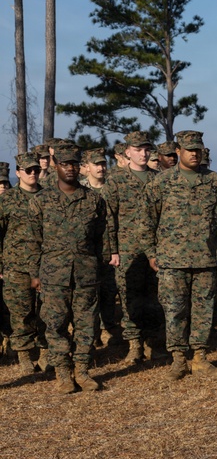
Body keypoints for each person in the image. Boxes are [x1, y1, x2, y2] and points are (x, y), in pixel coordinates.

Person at [26, 144, 118, 393]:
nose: (70, 168)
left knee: (86, 324)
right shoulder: (41, 201)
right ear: (56, 166)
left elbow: (102, 238)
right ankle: (63, 373)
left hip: (86, 274)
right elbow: (33, 241)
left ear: (81, 167)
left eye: (74, 164)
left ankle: (82, 371)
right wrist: (35, 274)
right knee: (55, 325)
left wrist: (100, 266)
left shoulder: (94, 200)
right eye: (65, 164)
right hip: (53, 275)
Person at [143, 130, 217, 380]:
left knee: (203, 310)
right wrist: (151, 252)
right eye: (189, 149)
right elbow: (147, 220)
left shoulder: (214, 181)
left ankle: (200, 357)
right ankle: (178, 359)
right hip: (172, 260)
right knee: (175, 310)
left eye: (198, 150)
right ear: (178, 151)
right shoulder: (162, 181)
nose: (194, 154)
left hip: (205, 259)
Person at [103, 131, 162, 364]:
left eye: (147, 149)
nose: (143, 153)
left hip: (155, 250)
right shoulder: (116, 180)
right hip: (127, 249)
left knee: (156, 298)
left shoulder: (158, 179)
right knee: (130, 298)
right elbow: (108, 217)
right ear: (127, 152)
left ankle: (156, 344)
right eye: (138, 149)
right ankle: (135, 345)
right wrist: (113, 250)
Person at [0, 153, 47, 375]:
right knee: (21, 312)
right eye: (27, 170)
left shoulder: (49, 197)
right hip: (16, 265)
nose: (33, 174)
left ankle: (46, 353)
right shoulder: (6, 200)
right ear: (17, 173)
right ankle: (25, 355)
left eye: (36, 170)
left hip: (47, 264)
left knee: (47, 311)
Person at [82, 148, 119, 346]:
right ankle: (93, 333)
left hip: (112, 249)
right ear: (86, 168)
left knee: (109, 291)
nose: (101, 168)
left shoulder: (113, 187)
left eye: (103, 164)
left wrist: (115, 249)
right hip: (88, 251)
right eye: (96, 164)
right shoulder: (81, 190)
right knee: (89, 295)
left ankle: (108, 330)